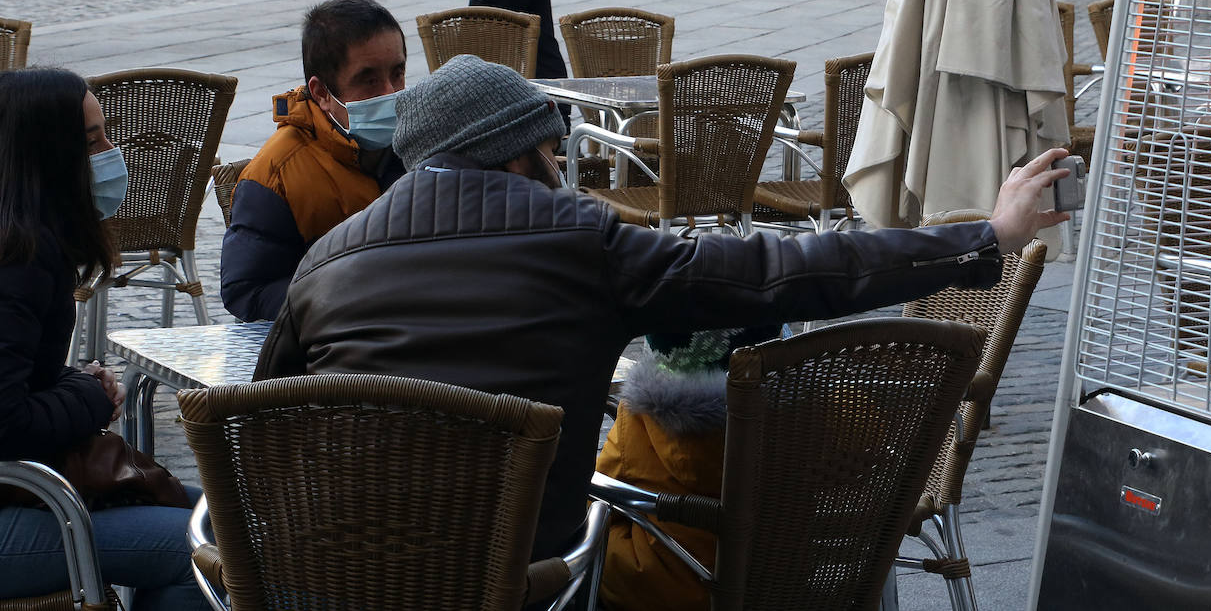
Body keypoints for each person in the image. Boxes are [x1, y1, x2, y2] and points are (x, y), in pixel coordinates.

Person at [254, 54, 1071, 564]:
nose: (559, 165)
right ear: (514, 152)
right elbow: (783, 269)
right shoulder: (580, 240)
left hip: (334, 571)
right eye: (550, 149)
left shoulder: (325, 260)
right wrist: (983, 239)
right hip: (520, 575)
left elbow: (262, 424)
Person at [0, 68, 208, 610]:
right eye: (94, 141)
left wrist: (73, 383)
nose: (112, 152)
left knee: (222, 516)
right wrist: (90, 396)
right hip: (14, 510)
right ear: (48, 156)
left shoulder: (27, 240)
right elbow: (5, 423)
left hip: (24, 494)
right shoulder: (17, 258)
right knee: (209, 548)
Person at [220, 0, 406, 324]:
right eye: (369, 80)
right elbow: (247, 291)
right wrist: (348, 300)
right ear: (321, 93)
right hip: (330, 351)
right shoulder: (276, 175)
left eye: (398, 73)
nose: (390, 93)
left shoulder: (421, 145)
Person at [596, 323, 780, 611]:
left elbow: (597, 491)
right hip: (772, 580)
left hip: (664, 588)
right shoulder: (802, 419)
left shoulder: (641, 419)